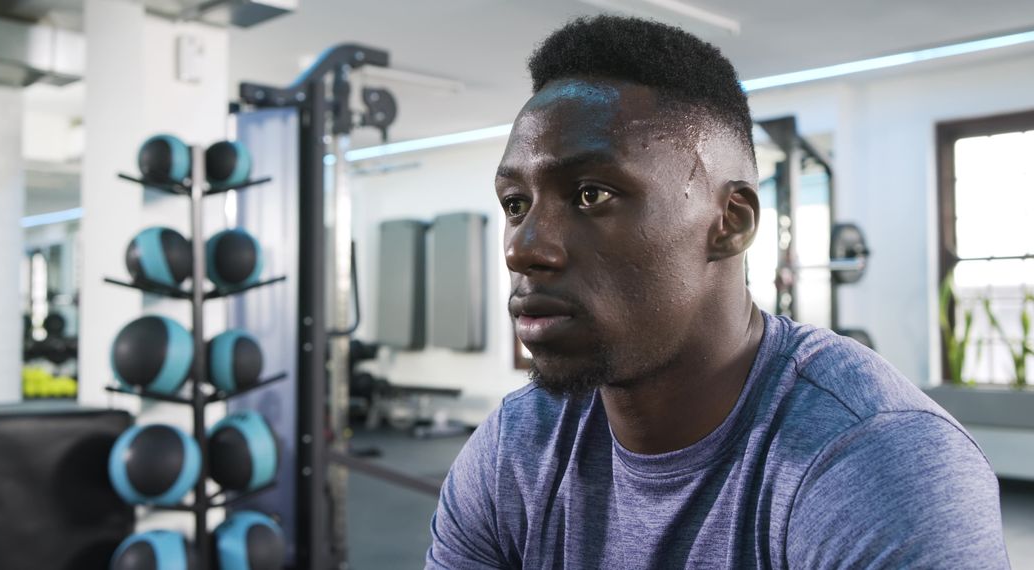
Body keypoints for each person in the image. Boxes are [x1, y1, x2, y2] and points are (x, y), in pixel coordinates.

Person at [425, 14, 1009, 570]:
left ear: (730, 222)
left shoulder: (874, 463)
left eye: (591, 195)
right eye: (516, 204)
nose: (522, 248)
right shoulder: (517, 447)